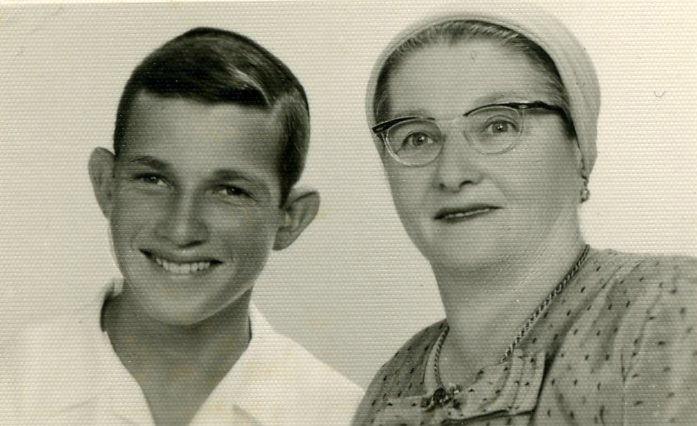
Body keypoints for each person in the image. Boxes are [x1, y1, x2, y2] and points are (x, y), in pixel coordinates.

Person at [352, 2, 696, 425]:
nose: (452, 174)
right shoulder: (392, 386)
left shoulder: (666, 308)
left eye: (499, 126)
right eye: (417, 137)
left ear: (578, 148)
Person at [3, 27, 361, 425]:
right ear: (106, 185)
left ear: (289, 218)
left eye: (230, 190)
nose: (181, 229)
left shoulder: (344, 416)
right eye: (153, 179)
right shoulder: (13, 384)